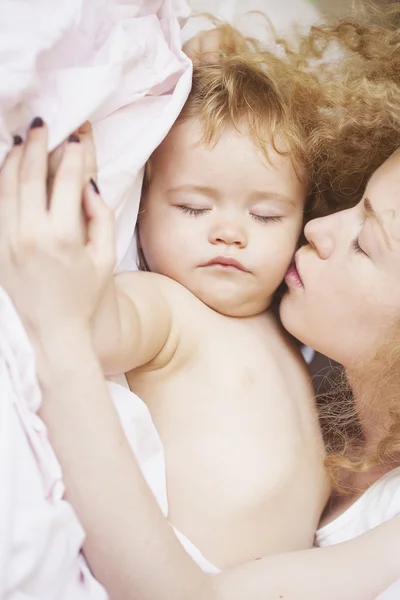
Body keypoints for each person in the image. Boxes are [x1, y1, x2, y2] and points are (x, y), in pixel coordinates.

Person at [3, 8, 400, 600]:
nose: (317, 227)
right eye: (194, 209)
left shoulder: (296, 346)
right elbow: (86, 318)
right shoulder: (174, 310)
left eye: (367, 245)